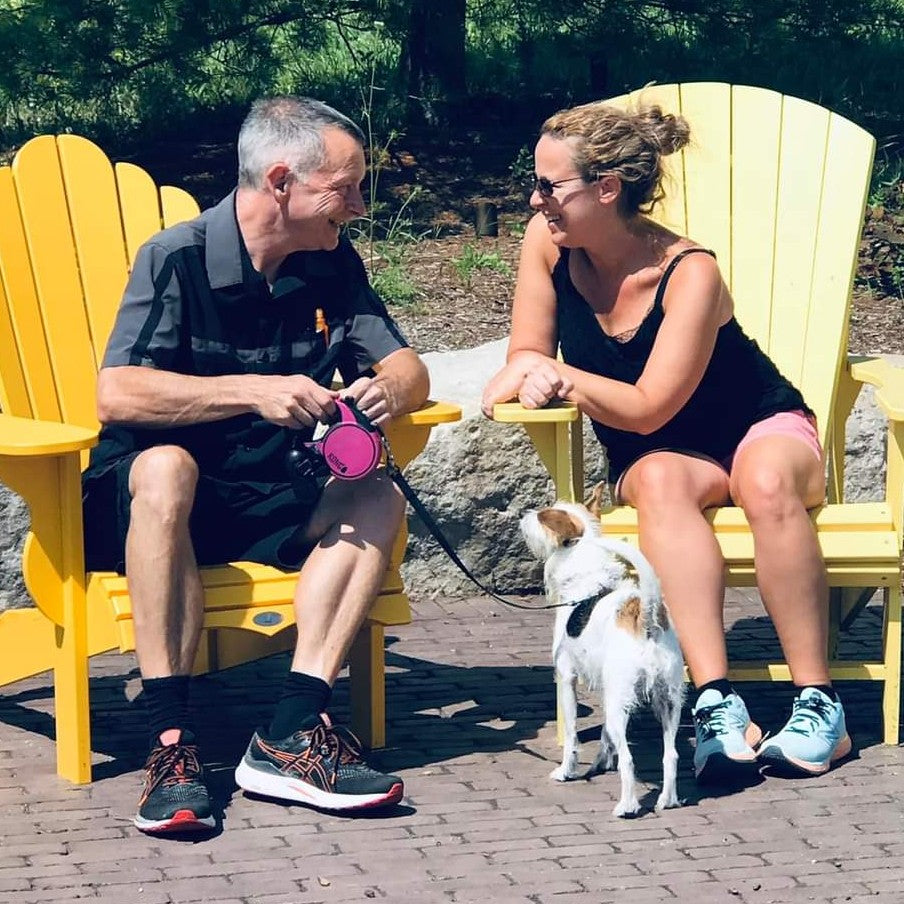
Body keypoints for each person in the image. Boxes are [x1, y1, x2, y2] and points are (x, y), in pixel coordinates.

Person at [82, 96, 429, 833]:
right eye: (346, 187)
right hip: (155, 510)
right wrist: (251, 392)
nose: (360, 206)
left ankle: (292, 732)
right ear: (281, 181)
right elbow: (116, 393)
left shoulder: (331, 263)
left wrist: (385, 390)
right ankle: (171, 747)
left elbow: (408, 367)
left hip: (272, 493)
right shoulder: (175, 258)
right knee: (168, 467)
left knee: (376, 498)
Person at [481, 100, 851, 785]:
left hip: (757, 426)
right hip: (664, 458)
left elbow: (650, 406)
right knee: (656, 482)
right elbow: (523, 354)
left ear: (607, 189)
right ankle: (716, 702)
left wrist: (557, 373)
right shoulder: (547, 243)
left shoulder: (691, 273)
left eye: (548, 186)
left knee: (763, 481)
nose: (536, 201)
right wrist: (525, 376)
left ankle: (818, 705)